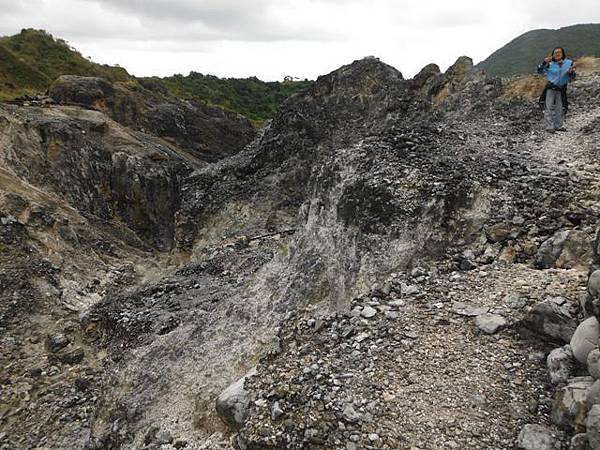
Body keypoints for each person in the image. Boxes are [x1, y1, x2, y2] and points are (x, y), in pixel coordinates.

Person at [537, 47, 576, 133]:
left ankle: (558, 125)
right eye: (555, 53)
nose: (557, 54)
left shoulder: (569, 63)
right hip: (551, 88)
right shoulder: (550, 64)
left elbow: (573, 77)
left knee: (560, 107)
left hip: (562, 88)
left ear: (563, 53)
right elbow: (539, 71)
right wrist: (544, 63)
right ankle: (549, 126)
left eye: (559, 52)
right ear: (552, 55)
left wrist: (571, 72)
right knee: (549, 107)